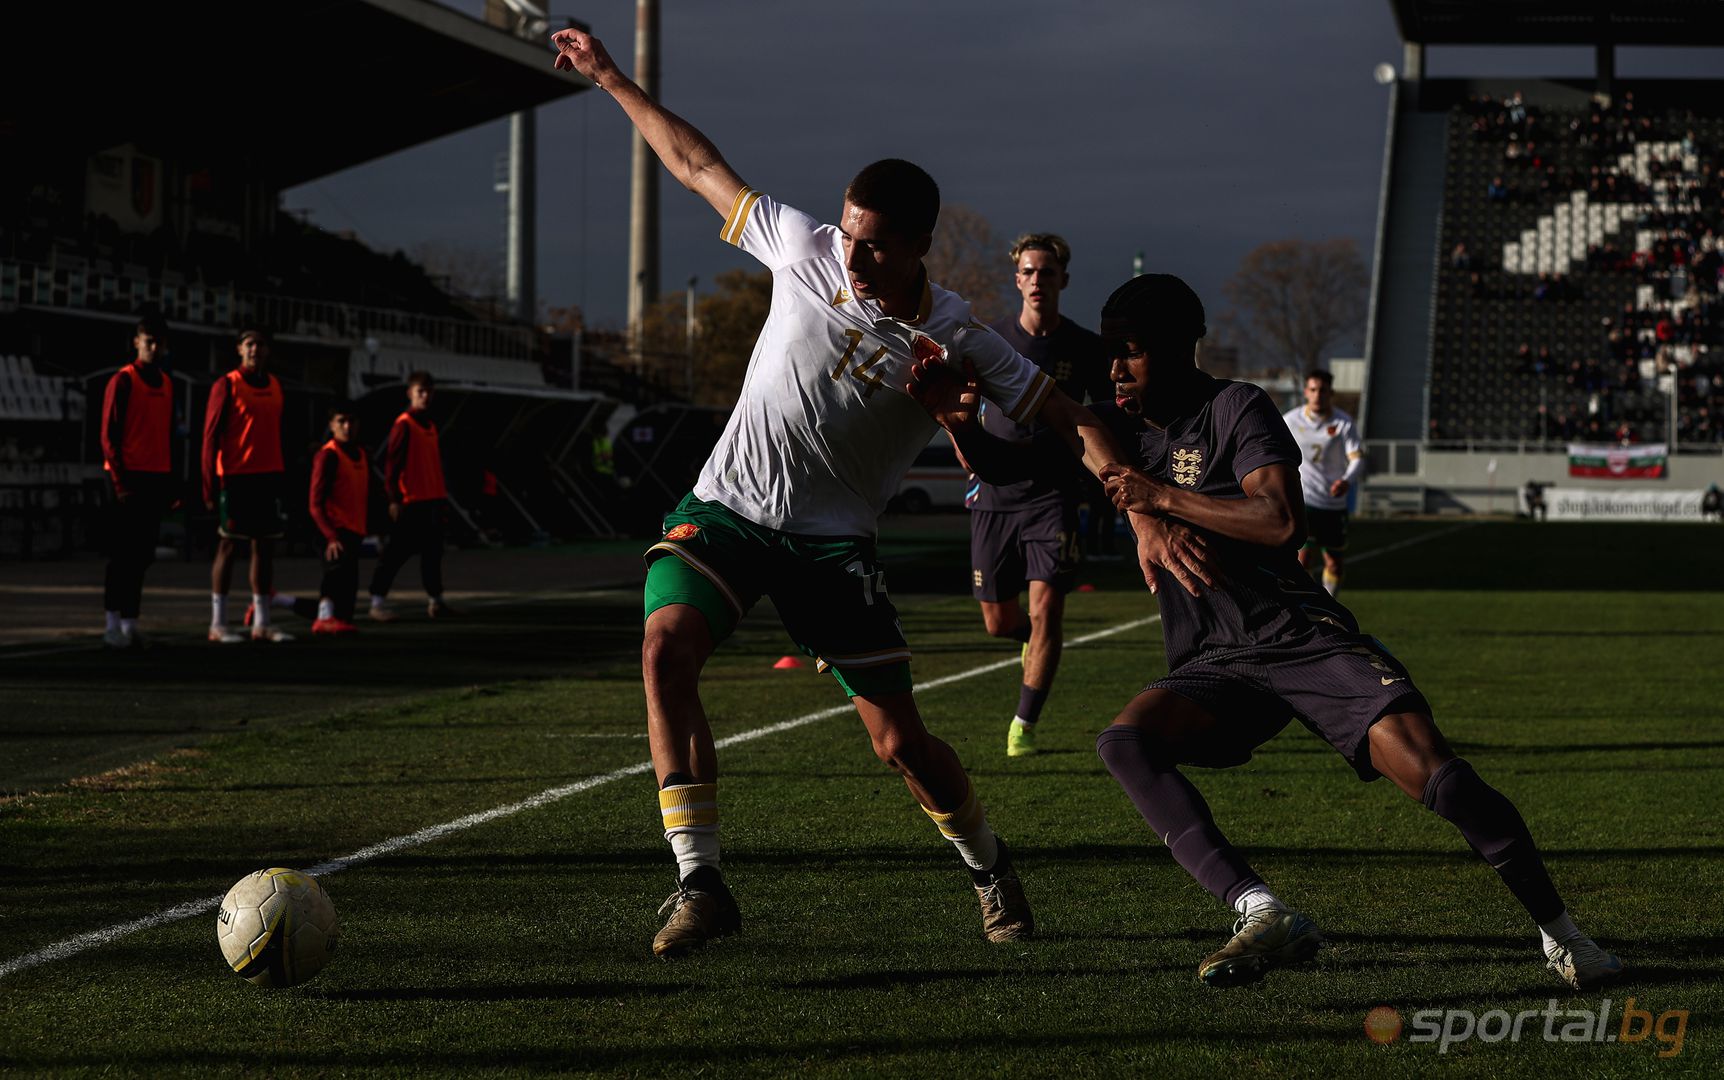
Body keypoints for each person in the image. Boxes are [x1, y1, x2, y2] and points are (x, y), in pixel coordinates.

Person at [550, 26, 1152, 958]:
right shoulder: (806, 248)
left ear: (918, 245)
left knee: (899, 744)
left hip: (833, 547)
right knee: (664, 648)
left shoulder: (963, 340)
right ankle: (701, 883)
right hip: (728, 511)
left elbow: (1069, 421)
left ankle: (989, 865)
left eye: (873, 248)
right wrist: (609, 76)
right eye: (848, 235)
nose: (852, 261)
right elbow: (695, 161)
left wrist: (1137, 499)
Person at [908, 273, 1624, 991]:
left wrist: (1157, 497)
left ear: (1180, 350)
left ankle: (1565, 938)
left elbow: (1281, 522)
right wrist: (957, 420)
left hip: (1299, 637)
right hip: (1214, 662)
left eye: (1134, 353)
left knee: (1442, 781)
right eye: (1113, 354)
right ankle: (1260, 907)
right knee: (1125, 741)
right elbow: (1011, 469)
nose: (1117, 369)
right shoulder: (1112, 429)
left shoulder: (1235, 408)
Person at [967, 232, 1111, 756]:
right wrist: (963, 437)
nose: (1036, 281)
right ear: (1016, 279)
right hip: (992, 493)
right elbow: (963, 399)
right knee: (999, 622)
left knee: (1048, 609)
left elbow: (1103, 413)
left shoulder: (1084, 347)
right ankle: (1031, 640)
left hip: (1053, 493)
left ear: (1062, 281)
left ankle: (1023, 726)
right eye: (1027, 272)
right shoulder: (990, 338)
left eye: (1045, 273)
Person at [202, 328, 291, 644]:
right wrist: (209, 483)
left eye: (261, 344)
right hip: (236, 477)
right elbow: (210, 437)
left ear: (267, 351)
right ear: (240, 349)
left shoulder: (276, 386)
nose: (255, 349)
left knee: (264, 547)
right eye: (249, 344)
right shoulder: (226, 385)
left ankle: (262, 622)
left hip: (268, 477)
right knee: (228, 545)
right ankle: (218, 622)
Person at [99, 314, 177, 649]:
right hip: (127, 478)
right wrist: (119, 481)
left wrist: (170, 482)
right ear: (137, 342)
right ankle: (111, 623)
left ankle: (131, 623)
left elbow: (167, 435)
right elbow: (109, 435)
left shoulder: (167, 383)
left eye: (159, 342)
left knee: (142, 555)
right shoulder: (123, 380)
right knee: (122, 555)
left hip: (154, 478)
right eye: (149, 342)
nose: (154, 348)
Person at [368, 371, 457, 621]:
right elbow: (392, 466)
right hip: (411, 502)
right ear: (410, 393)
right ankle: (377, 602)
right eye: (420, 392)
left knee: (433, 554)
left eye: (429, 391)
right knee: (395, 554)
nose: (425, 396)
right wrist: (394, 499)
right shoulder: (404, 425)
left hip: (433, 500)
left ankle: (436, 601)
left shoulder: (430, 425)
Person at [1282, 370, 1364, 595]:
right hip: (1303, 501)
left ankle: (1331, 609)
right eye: (1313, 389)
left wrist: (1346, 480)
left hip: (1333, 504)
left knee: (1334, 562)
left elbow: (1357, 458)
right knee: (1302, 559)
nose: (1318, 395)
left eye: (1323, 390)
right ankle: (1309, 610)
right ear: (1306, 392)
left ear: (1331, 393)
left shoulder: (1343, 423)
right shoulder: (1290, 420)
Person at [307, 403, 370, 635]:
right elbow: (315, 503)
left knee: (345, 612)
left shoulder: (361, 454)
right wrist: (331, 536)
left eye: (351, 421)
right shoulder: (328, 456)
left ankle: (276, 600)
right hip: (332, 530)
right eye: (341, 421)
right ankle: (322, 619)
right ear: (332, 425)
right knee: (333, 576)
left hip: (354, 530)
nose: (347, 426)